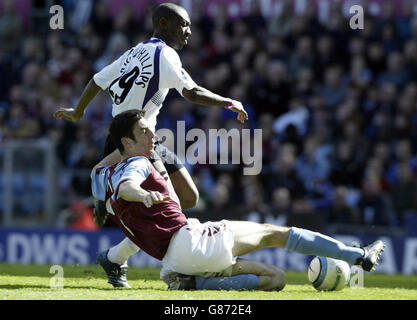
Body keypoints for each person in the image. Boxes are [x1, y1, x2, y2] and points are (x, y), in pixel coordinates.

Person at [92, 110, 385, 290]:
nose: (152, 133)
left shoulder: (102, 178)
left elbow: (106, 179)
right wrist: (144, 194)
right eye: (143, 131)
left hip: (176, 260)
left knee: (276, 279)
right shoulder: (138, 163)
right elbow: (129, 185)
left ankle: (194, 282)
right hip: (190, 242)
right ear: (126, 144)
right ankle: (357, 256)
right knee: (276, 234)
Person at [53, 2, 249, 226]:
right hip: (133, 141)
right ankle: (112, 208)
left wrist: (78, 112)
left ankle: (107, 196)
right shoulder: (165, 54)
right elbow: (192, 92)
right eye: (184, 25)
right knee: (173, 205)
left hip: (141, 138)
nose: (189, 31)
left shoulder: (134, 52)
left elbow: (97, 80)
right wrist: (228, 102)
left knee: (189, 197)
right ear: (164, 24)